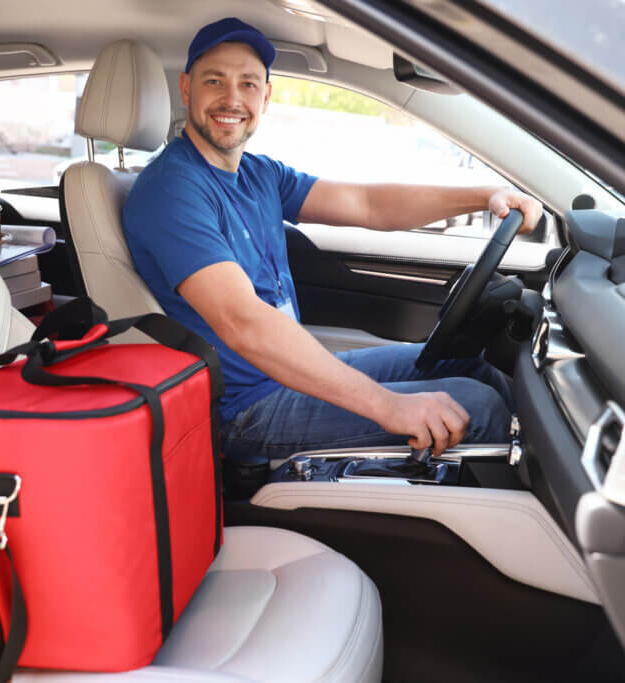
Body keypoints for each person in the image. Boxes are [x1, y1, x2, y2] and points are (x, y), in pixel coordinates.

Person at [122, 17, 543, 465]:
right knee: (477, 408)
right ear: (187, 89)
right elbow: (241, 321)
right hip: (244, 412)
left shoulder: (257, 174)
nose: (232, 99)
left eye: (248, 84)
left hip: (288, 377)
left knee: (470, 364)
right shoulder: (172, 189)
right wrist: (388, 406)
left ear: (265, 97)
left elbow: (367, 204)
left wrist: (484, 195)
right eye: (214, 81)